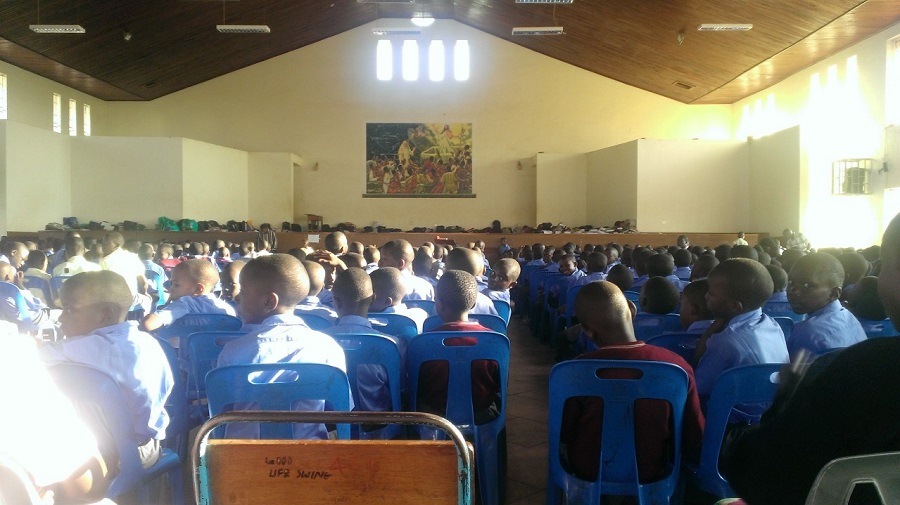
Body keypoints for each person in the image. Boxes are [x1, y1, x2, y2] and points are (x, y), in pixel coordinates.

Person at [721, 212, 900, 505]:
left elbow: (762, 474)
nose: (794, 291)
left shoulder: (853, 370)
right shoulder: (850, 321)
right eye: (792, 283)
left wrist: (784, 400)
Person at [560, 281, 705, 484]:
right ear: (632, 309)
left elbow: (563, 431)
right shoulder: (675, 366)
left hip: (589, 470)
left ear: (587, 331)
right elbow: (694, 435)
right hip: (654, 471)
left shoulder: (574, 371)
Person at [39, 271, 174, 469]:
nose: (60, 318)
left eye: (69, 310)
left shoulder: (87, 348)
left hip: (117, 457)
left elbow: (24, 359)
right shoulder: (149, 342)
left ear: (106, 313)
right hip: (145, 448)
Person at [216, 254, 349, 439]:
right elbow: (339, 409)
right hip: (310, 458)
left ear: (269, 302)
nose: (237, 297)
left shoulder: (233, 351)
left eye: (243, 292)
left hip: (243, 457)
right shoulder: (328, 348)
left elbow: (221, 411)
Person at [0, 333, 112, 504]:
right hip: (114, 459)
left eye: (70, 311)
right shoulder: (11, 358)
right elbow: (90, 487)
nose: (60, 318)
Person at [693, 258, 788, 399]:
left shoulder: (726, 341)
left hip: (735, 417)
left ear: (735, 306)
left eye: (711, 294)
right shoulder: (772, 324)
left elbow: (699, 386)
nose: (706, 296)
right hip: (771, 408)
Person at [416, 270, 501, 424]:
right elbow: (500, 383)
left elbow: (418, 383)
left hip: (435, 415)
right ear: (474, 304)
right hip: (482, 413)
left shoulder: (424, 342)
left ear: (439, 304)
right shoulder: (493, 340)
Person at [324, 268, 405, 413]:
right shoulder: (392, 344)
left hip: (335, 429)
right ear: (372, 299)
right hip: (380, 430)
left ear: (335, 301)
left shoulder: (319, 342)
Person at [786, 253, 866, 360]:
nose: (793, 291)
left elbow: (791, 374)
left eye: (807, 285)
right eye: (790, 282)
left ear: (834, 294)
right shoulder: (849, 317)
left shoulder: (807, 332)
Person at [142, 259, 237, 332]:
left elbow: (148, 324)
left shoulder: (186, 303)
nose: (170, 289)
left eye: (176, 284)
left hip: (182, 357)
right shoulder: (227, 309)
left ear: (198, 289)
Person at [99, 232, 151, 314]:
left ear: (116, 245)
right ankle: (142, 322)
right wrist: (145, 293)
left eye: (106, 243)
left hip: (110, 300)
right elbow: (144, 282)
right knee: (148, 300)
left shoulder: (104, 261)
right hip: (131, 299)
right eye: (102, 243)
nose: (102, 245)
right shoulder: (132, 257)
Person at [368, 266, 428, 332]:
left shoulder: (370, 323)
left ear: (388, 302)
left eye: (371, 297)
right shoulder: (421, 316)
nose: (366, 299)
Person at [0, 261, 54, 333]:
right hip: (25, 326)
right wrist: (21, 285)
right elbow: (38, 305)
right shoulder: (14, 291)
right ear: (8, 276)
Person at [444, 247, 499, 316]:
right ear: (483, 271)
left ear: (445, 270)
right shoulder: (486, 303)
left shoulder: (440, 300)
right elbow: (495, 323)